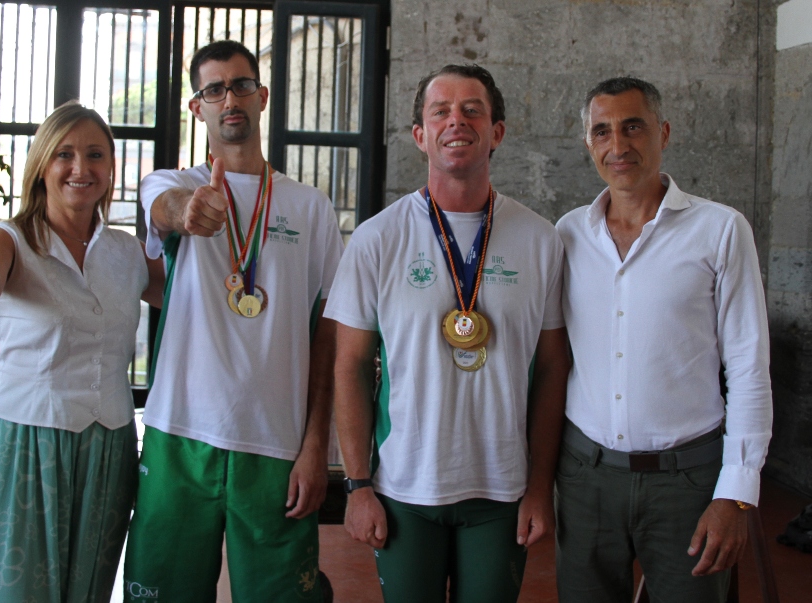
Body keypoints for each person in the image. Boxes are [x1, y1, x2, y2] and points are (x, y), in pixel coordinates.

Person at [325, 64, 570, 602]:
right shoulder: (377, 239)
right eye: (441, 111)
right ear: (420, 135)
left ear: (497, 132)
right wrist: (359, 485)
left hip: (502, 490)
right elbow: (348, 367)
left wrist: (538, 487)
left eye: (472, 110)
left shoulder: (540, 240)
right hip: (404, 489)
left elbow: (553, 369)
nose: (455, 121)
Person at [122, 40, 343, 602]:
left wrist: (318, 445)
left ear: (262, 96)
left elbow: (329, 335)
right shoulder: (172, 184)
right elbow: (164, 209)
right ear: (198, 107)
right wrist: (187, 211)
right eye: (213, 89)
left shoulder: (310, 207)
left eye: (241, 84)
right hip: (179, 436)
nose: (230, 98)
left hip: (276, 442)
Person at [555, 77, 773, 602]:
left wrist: (736, 495)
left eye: (633, 127)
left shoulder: (720, 230)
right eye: (602, 131)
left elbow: (748, 365)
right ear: (589, 143)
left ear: (664, 132)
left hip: (688, 483)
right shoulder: (566, 235)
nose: (618, 144)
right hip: (587, 480)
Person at [0, 101, 163, 601]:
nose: (80, 168)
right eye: (64, 154)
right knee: (15, 589)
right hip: (26, 443)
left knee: (85, 588)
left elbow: (191, 296)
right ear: (42, 166)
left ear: (110, 170)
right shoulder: (10, 239)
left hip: (108, 449)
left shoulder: (127, 251)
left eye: (95, 155)